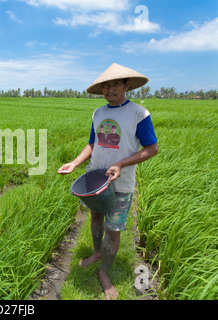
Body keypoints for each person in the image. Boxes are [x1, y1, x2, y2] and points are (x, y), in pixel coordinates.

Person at [57, 63, 159, 300]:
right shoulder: (99, 113)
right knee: (95, 217)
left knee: (113, 230)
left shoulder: (138, 114)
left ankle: (104, 273)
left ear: (126, 85)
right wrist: (74, 163)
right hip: (95, 178)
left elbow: (151, 148)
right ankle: (96, 253)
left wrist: (120, 164)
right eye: (106, 84)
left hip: (120, 182)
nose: (109, 88)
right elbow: (92, 144)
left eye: (115, 83)